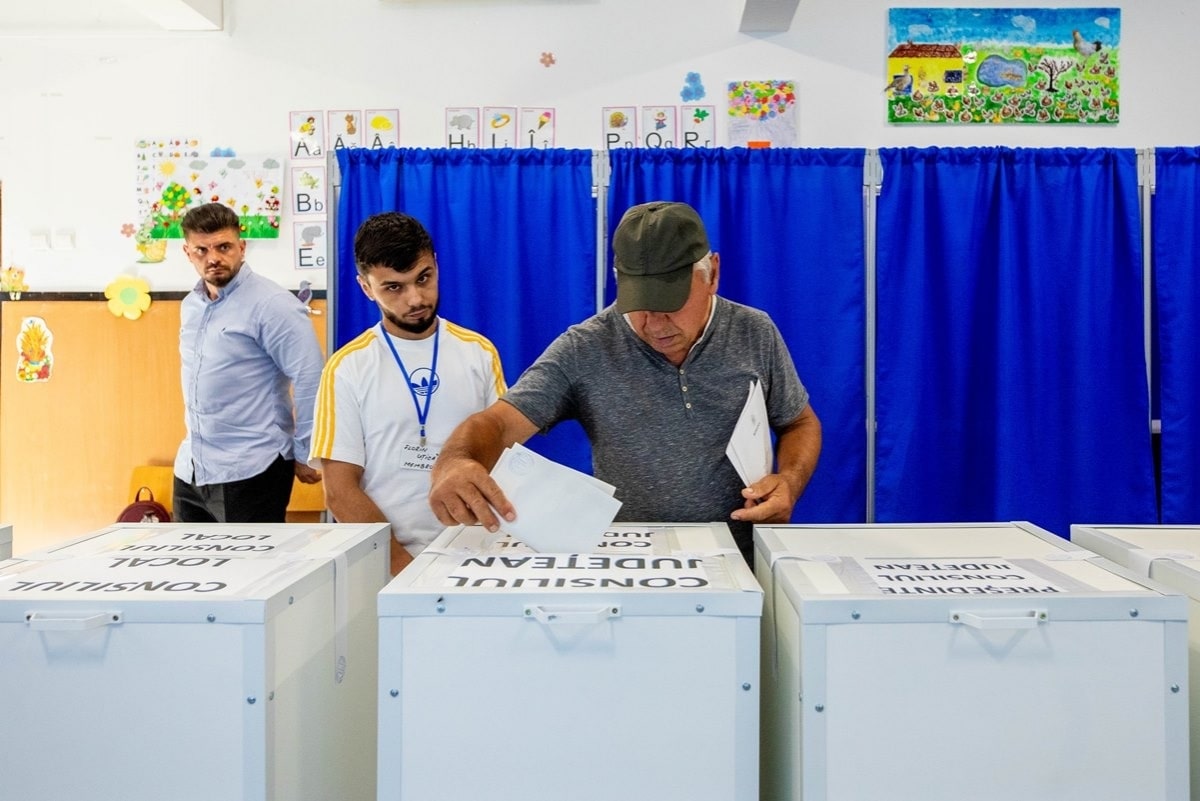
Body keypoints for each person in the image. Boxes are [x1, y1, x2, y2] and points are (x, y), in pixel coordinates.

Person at [428, 200, 821, 564]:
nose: (655, 325)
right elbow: (497, 424)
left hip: (740, 562)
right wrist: (455, 461)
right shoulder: (586, 347)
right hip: (630, 566)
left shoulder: (754, 332)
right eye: (639, 305)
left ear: (713, 273)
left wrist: (789, 481)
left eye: (670, 304)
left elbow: (800, 422)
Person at [309, 212, 506, 574]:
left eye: (423, 278)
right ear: (366, 288)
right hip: (384, 565)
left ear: (436, 266)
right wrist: (404, 569)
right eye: (394, 288)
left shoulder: (479, 352)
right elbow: (339, 491)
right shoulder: (347, 367)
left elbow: (503, 459)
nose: (416, 299)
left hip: (475, 558)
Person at [173, 202, 324, 523]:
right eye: (201, 250)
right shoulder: (191, 306)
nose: (213, 258)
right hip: (192, 468)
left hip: (253, 467)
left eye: (223, 247)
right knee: (186, 555)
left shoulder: (273, 305)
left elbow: (310, 376)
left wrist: (307, 451)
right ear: (187, 253)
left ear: (241, 247)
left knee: (255, 559)